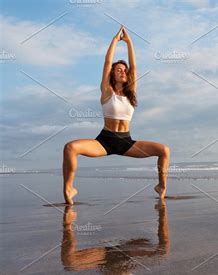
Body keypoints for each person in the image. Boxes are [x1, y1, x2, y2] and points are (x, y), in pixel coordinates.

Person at [62, 25, 170, 204]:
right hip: (104, 141)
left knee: (164, 150)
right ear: (112, 73)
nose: (122, 71)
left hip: (126, 142)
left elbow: (134, 66)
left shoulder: (130, 92)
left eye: (124, 70)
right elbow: (106, 62)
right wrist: (115, 40)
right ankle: (69, 188)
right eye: (118, 69)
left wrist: (129, 42)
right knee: (70, 148)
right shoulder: (106, 91)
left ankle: (161, 186)